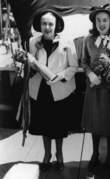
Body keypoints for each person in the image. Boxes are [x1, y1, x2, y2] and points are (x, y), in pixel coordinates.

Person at [27, 9, 78, 171]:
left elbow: (74, 66)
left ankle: (60, 155)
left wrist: (61, 75)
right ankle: (47, 155)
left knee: (58, 125)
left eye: (50, 24)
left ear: (57, 26)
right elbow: (30, 64)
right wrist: (29, 65)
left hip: (59, 90)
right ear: (39, 25)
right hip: (40, 90)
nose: (47, 27)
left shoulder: (67, 42)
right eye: (44, 24)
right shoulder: (32, 42)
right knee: (44, 124)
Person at [81, 5, 110, 170]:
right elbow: (84, 62)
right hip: (95, 88)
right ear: (94, 22)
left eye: (104, 20)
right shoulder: (88, 40)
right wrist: (90, 74)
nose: (101, 23)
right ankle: (95, 154)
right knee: (95, 122)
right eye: (98, 20)